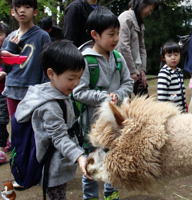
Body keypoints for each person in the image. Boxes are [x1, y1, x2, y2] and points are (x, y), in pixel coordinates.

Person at [14, 40, 89, 200]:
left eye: (79, 78)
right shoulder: (50, 106)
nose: (76, 83)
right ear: (51, 74)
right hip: (52, 169)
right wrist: (80, 156)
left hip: (58, 163)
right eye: (71, 78)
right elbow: (60, 138)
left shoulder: (60, 91)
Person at [73, 7, 133, 200]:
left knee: (113, 160)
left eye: (118, 33)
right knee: (92, 163)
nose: (116, 39)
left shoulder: (118, 57)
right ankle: (90, 196)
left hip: (115, 124)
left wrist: (118, 94)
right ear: (95, 35)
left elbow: (128, 82)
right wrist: (104, 97)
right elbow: (78, 91)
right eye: (111, 34)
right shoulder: (85, 60)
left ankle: (111, 194)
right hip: (93, 126)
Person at [1, 0, 51, 117]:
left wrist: (45, 91)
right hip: (12, 89)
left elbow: (47, 64)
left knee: (33, 129)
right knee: (16, 126)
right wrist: (10, 48)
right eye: (18, 7)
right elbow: (5, 68)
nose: (22, 10)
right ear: (13, 12)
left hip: (33, 91)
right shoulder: (10, 37)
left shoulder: (42, 36)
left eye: (27, 7)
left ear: (35, 12)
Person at [116, 0, 158, 96]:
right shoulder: (125, 18)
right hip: (124, 70)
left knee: (145, 102)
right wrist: (132, 71)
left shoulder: (140, 22)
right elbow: (123, 46)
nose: (150, 13)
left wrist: (142, 70)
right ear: (142, 4)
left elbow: (142, 48)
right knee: (124, 101)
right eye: (150, 9)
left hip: (137, 71)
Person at [157, 41, 186, 113]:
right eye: (169, 56)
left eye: (176, 55)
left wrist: (184, 108)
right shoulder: (164, 73)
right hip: (170, 112)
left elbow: (182, 92)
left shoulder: (179, 71)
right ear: (164, 58)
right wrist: (164, 112)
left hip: (181, 111)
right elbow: (161, 96)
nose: (173, 58)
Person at [0, 22, 10, 164]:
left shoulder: (7, 51)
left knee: (2, 120)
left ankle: (2, 148)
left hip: (4, 92)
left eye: (1, 34)